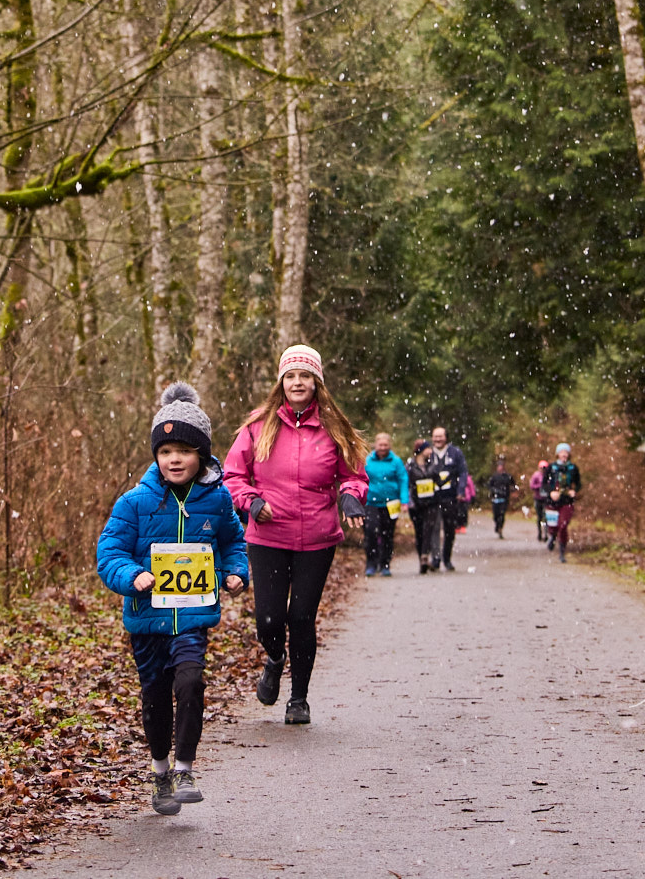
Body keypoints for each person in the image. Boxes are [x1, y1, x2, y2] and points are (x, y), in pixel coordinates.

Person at [96, 383, 249, 814]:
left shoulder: (218, 501)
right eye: (165, 452)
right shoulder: (135, 503)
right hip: (148, 620)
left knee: (191, 682)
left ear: (201, 454)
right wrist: (133, 575)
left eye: (183, 450)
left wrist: (238, 573)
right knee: (156, 697)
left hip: (194, 616)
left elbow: (235, 544)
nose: (174, 459)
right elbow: (109, 553)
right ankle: (160, 771)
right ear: (156, 456)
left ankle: (185, 768)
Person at [225, 344, 367, 725]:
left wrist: (352, 498)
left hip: (317, 539)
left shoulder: (335, 427)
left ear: (317, 382)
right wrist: (250, 501)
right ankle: (274, 658)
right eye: (291, 376)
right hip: (268, 534)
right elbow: (233, 475)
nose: (297, 382)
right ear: (281, 382)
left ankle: (299, 698)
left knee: (301, 617)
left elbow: (353, 476)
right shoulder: (259, 425)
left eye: (305, 375)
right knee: (269, 621)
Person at [362, 431, 412, 576]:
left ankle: (385, 564)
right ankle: (371, 563)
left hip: (391, 504)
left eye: (385, 445)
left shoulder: (396, 461)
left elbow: (403, 480)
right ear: (375, 445)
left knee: (387, 534)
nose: (383, 447)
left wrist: (404, 501)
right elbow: (360, 478)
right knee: (370, 532)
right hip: (371, 502)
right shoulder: (368, 460)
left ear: (389, 445)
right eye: (380, 445)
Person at [427, 426, 471, 572]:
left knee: (449, 529)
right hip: (432, 498)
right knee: (434, 528)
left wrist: (461, 490)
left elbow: (463, 472)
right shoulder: (428, 453)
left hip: (450, 496)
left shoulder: (455, 453)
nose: (437, 439)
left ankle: (447, 558)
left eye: (440, 436)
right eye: (435, 436)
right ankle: (436, 558)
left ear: (446, 437)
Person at [543, 442, 583, 562]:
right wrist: (551, 492)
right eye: (562, 452)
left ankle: (562, 552)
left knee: (563, 525)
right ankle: (553, 537)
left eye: (566, 452)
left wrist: (573, 491)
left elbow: (579, 484)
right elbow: (544, 484)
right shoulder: (551, 467)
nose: (564, 455)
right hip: (553, 502)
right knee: (553, 526)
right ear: (558, 454)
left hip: (567, 501)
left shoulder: (573, 468)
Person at [406, 438, 442, 573]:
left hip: (431, 503)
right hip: (416, 504)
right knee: (419, 531)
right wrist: (409, 501)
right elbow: (407, 484)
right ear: (421, 450)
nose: (431, 451)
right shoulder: (410, 466)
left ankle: (424, 557)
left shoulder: (433, 464)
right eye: (428, 448)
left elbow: (439, 481)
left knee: (429, 529)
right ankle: (421, 555)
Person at [486, 457, 515, 538]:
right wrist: (494, 490)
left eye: (501, 466)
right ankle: (497, 525)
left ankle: (500, 528)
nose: (500, 467)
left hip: (504, 498)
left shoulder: (507, 476)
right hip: (495, 498)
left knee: (502, 515)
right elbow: (489, 485)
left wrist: (512, 490)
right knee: (496, 515)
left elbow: (513, 484)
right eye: (499, 466)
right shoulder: (494, 476)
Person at [529, 458, 550, 541]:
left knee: (546, 517)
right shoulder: (536, 475)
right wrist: (539, 486)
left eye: (544, 468)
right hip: (538, 498)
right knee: (539, 516)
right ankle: (539, 533)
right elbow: (532, 486)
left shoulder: (549, 476)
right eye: (542, 467)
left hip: (546, 499)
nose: (543, 469)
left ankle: (546, 534)